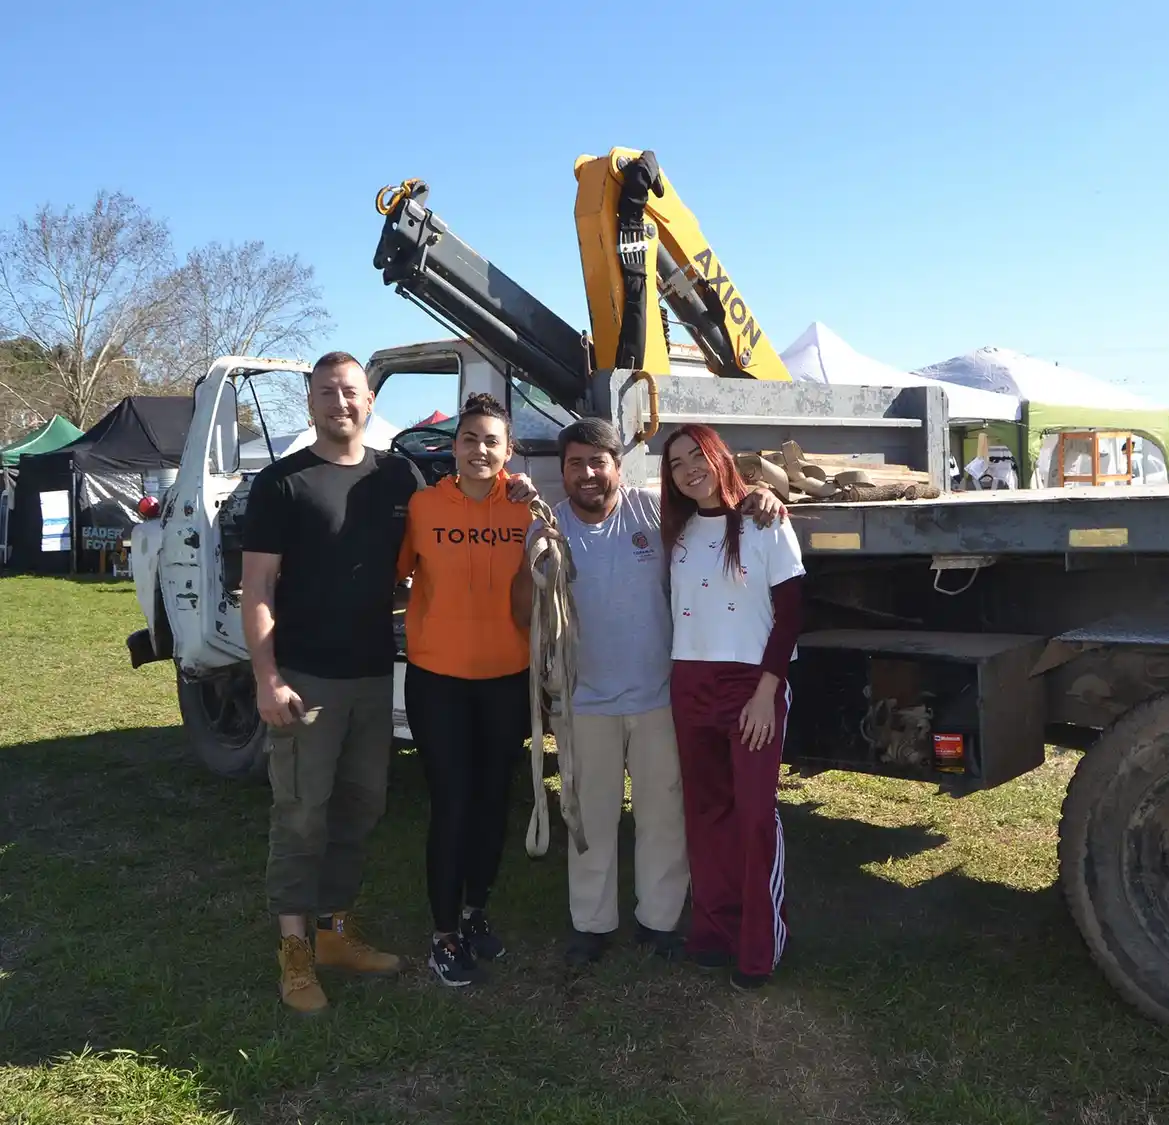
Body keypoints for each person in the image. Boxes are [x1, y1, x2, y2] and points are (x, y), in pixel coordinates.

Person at [240, 352, 533, 1015]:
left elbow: (442, 532)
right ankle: (293, 950)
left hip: (374, 672)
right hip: (306, 675)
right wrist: (267, 677)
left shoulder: (397, 475)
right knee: (301, 811)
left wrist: (514, 486)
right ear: (310, 400)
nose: (340, 402)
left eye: (351, 392)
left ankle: (336, 933)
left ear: (370, 400)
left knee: (360, 806)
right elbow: (256, 587)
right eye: (326, 392)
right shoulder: (282, 483)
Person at [510, 417, 787, 968]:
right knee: (589, 818)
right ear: (562, 472)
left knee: (663, 814)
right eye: (575, 464)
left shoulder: (653, 511)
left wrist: (762, 492)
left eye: (598, 462)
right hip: (584, 701)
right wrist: (529, 559)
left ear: (618, 466)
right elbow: (523, 614)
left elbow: (714, 503)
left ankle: (659, 921)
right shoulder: (550, 527)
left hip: (659, 697)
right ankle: (592, 924)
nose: (587, 474)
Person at [396, 392, 535, 987]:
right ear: (453, 448)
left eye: (491, 441)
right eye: (469, 439)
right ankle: (444, 933)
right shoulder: (424, 506)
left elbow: (552, 578)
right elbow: (394, 577)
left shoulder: (527, 509)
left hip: (508, 679)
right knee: (452, 804)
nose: (479, 449)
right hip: (440, 682)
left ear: (508, 451)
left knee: (493, 802)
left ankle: (477, 911)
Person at [660, 422, 805, 991]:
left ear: (718, 455)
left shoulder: (764, 521)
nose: (688, 468)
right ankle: (714, 932)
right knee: (706, 813)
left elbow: (790, 614)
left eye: (697, 454)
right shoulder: (674, 528)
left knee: (752, 815)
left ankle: (760, 944)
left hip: (750, 685)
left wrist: (767, 694)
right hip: (689, 682)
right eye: (675, 463)